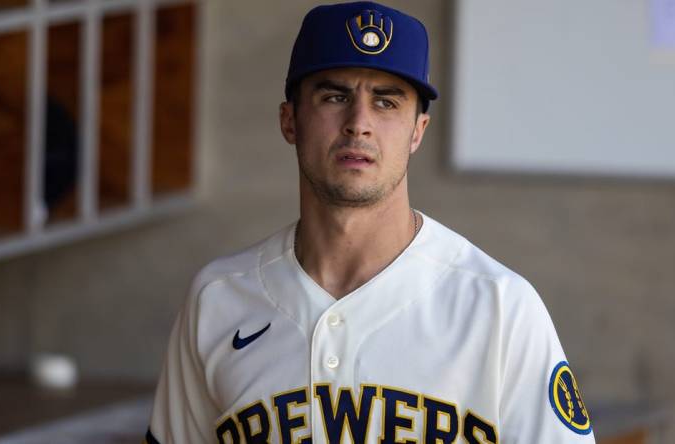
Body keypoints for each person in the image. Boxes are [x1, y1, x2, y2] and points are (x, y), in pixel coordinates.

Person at [145, 2, 595, 443]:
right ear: (290, 121)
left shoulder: (500, 307)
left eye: (386, 102)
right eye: (335, 97)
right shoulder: (218, 299)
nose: (358, 124)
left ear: (418, 130)